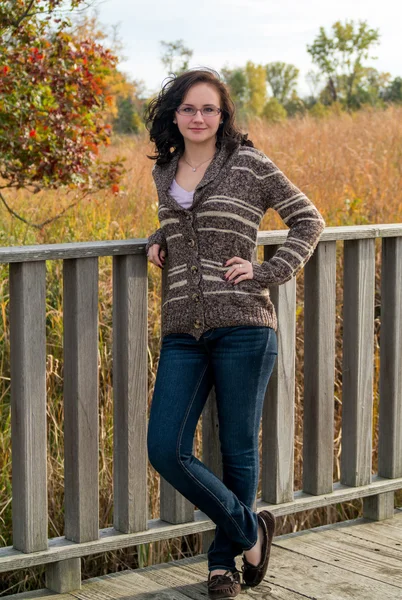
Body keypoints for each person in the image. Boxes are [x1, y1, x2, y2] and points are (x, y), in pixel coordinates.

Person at [144, 67, 325, 599]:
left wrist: (267, 270)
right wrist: (160, 236)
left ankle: (222, 564)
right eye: (188, 108)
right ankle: (252, 533)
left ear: (223, 117)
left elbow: (308, 220)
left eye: (209, 109)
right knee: (165, 448)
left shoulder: (248, 163)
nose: (198, 117)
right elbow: (187, 221)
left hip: (244, 325)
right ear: (174, 115)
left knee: (237, 451)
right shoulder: (167, 171)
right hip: (183, 329)